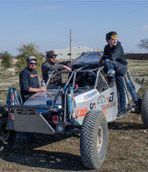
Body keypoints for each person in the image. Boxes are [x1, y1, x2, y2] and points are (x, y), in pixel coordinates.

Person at [101, 31, 128, 116]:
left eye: (115, 39)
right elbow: (103, 58)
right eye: (112, 39)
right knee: (120, 89)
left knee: (108, 61)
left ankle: (123, 108)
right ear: (108, 40)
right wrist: (103, 58)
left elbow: (112, 57)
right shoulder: (106, 47)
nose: (114, 40)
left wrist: (104, 57)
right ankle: (119, 108)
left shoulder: (118, 46)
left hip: (121, 67)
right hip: (113, 68)